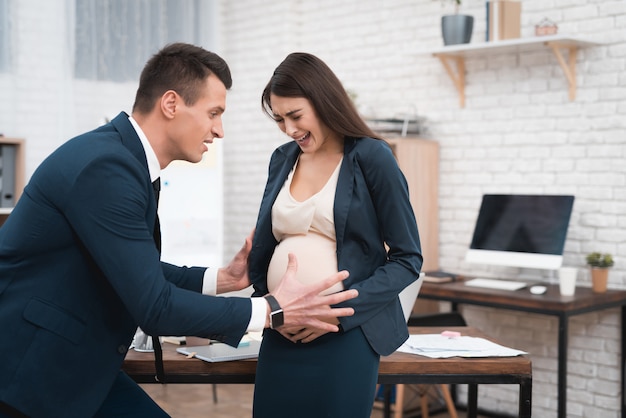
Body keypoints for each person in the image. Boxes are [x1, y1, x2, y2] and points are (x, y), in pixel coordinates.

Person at [0, 43, 359, 418]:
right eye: (214, 113)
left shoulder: (123, 160)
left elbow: (133, 267)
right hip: (27, 371)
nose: (219, 130)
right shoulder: (106, 169)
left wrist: (220, 279)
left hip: (76, 363)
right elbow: (154, 306)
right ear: (171, 104)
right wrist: (270, 310)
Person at [248, 52, 423, 418]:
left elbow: (408, 259)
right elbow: (268, 245)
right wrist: (272, 306)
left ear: (324, 101)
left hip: (346, 334)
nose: (289, 129)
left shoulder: (372, 157)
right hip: (282, 330)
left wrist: (335, 314)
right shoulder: (282, 159)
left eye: (295, 116)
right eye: (279, 119)